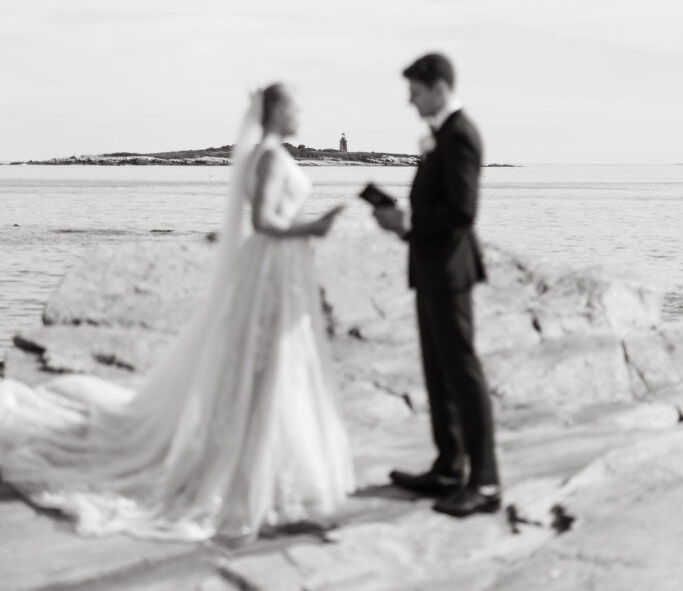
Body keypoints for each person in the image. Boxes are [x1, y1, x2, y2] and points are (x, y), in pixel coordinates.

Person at [0, 84, 353, 542]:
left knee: (271, 363)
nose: (301, 113)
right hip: (269, 267)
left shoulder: (265, 154)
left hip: (278, 268)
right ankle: (253, 475)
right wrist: (317, 225)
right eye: (295, 106)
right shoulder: (267, 156)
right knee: (264, 361)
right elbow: (266, 221)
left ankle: (268, 469)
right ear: (276, 112)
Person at [373, 53, 500, 518]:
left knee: (463, 374)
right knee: (438, 372)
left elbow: (463, 213)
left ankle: (485, 483)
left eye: (416, 90)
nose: (410, 99)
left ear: (439, 87)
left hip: (450, 271)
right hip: (430, 268)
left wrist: (408, 220)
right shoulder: (443, 136)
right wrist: (404, 226)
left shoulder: (461, 134)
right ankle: (449, 467)